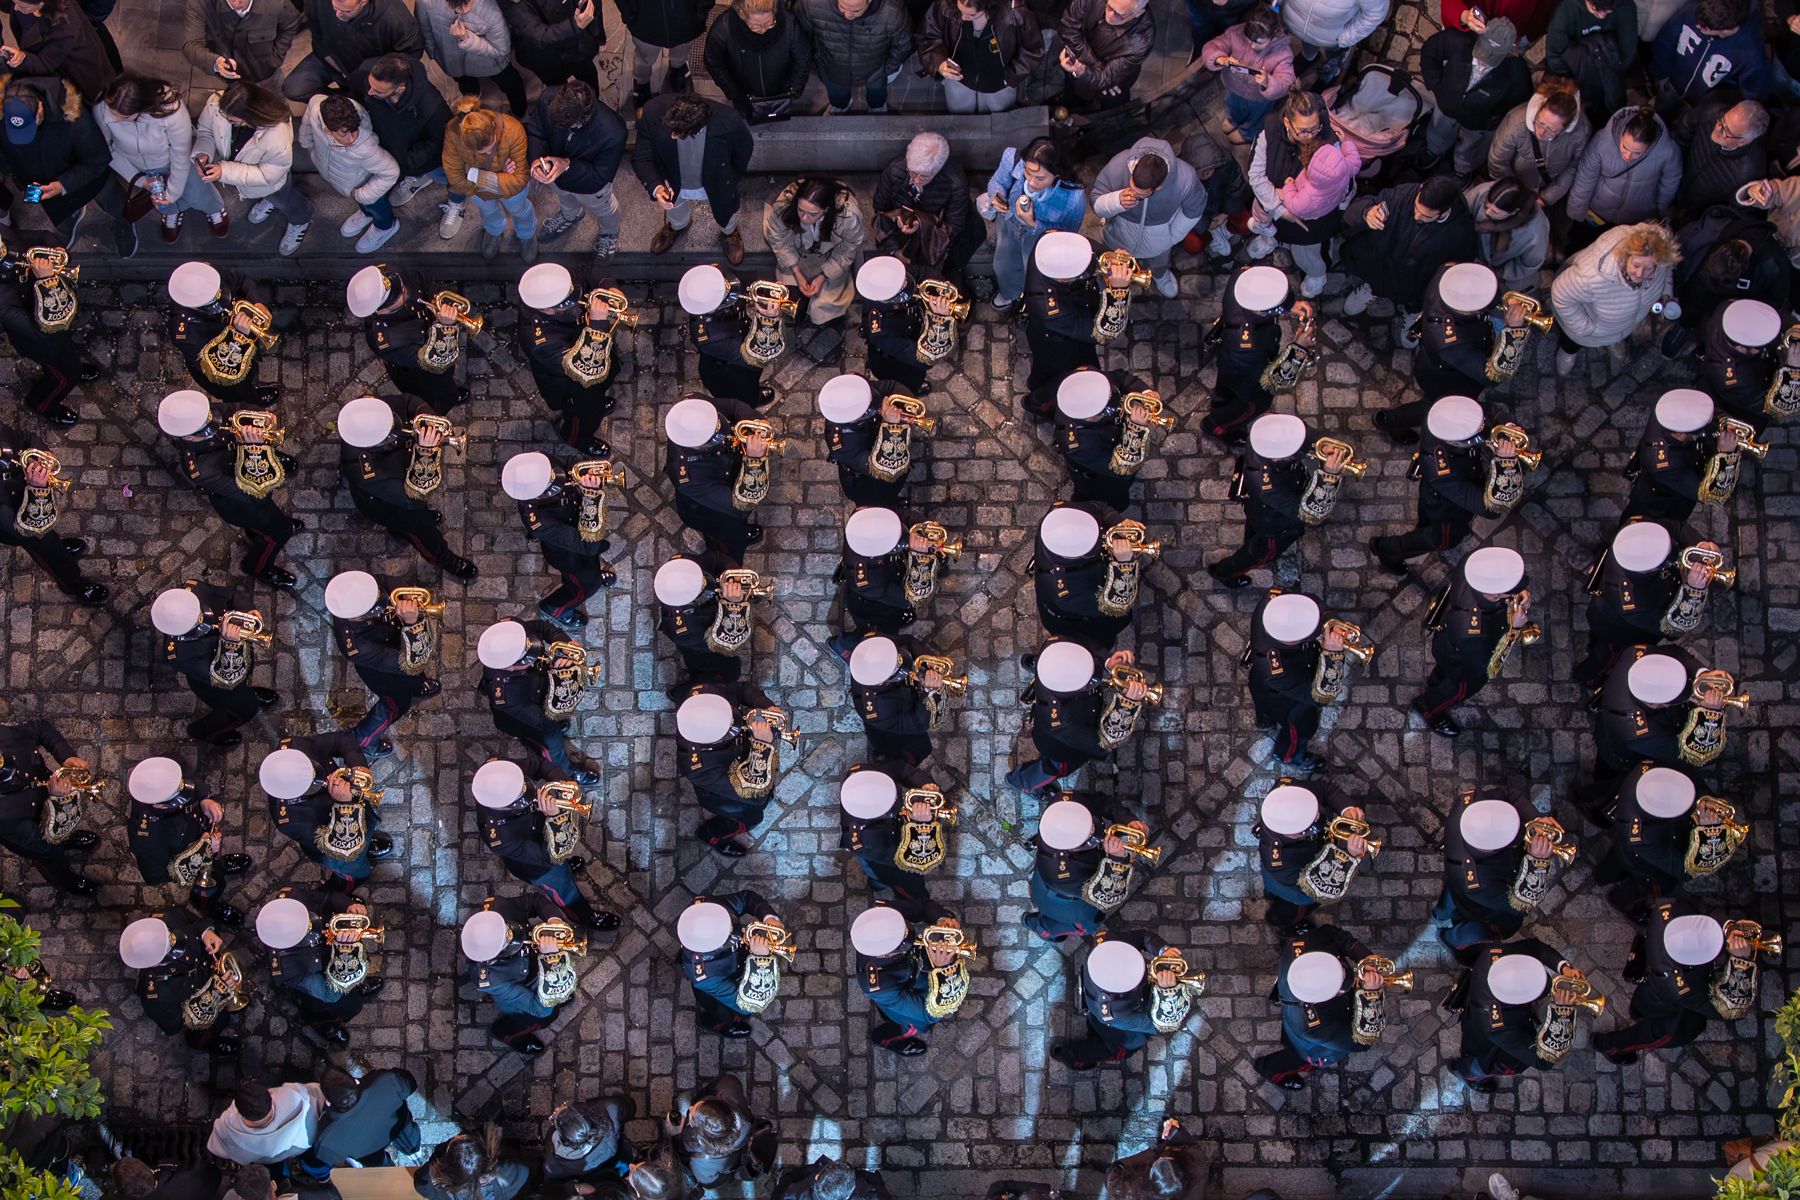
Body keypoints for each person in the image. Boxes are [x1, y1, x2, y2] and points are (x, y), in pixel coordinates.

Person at [156, 390, 300, 587]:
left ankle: (257, 533)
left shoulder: (206, 414)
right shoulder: (201, 470)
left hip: (244, 483)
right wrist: (254, 450)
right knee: (278, 533)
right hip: (244, 507)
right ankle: (258, 567)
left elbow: (236, 410)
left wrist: (260, 418)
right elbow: (255, 495)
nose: (215, 422)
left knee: (269, 527)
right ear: (186, 436)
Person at [470, 758, 622, 930]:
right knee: (564, 892)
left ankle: (567, 866)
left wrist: (563, 782)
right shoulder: (499, 839)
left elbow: (538, 765)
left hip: (541, 831)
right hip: (540, 867)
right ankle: (584, 917)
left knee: (564, 864)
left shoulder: (500, 772)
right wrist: (555, 816)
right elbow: (548, 857)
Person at [337, 395, 479, 578]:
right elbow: (412, 498)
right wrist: (425, 453)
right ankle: (444, 559)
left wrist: (427, 419)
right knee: (423, 530)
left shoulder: (371, 409)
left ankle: (399, 532)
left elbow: (408, 402)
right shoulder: (360, 467)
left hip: (398, 473)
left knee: (415, 520)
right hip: (391, 504)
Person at [1368, 396, 1514, 574]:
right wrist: (1505, 465)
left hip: (1465, 479)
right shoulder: (1440, 469)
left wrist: (1507, 426)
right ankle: (1387, 550)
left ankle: (1388, 421)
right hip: (1446, 508)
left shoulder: (1446, 410)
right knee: (1442, 539)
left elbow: (1489, 410)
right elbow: (1491, 509)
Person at [1597, 904, 1760, 1064]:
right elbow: (1728, 1010)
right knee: (1660, 1035)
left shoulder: (1668, 910)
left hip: (1654, 979)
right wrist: (1741, 963)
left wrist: (1728, 928)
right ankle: (1612, 1046)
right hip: (1668, 1008)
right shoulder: (1683, 986)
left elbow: (1705, 914)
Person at [1244, 90, 1360, 299]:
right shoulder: (1269, 131)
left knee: (1308, 252)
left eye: (1314, 128)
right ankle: (1271, 240)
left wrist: (1335, 208)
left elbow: (1346, 183)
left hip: (1312, 217)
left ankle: (1317, 274)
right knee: (1266, 221)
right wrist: (1280, 210)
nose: (1310, 136)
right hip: (1275, 204)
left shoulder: (1330, 141)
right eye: (1303, 131)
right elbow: (1256, 175)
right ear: (1288, 123)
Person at [1412, 545, 1536, 738]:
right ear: (1494, 595)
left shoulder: (1474, 562)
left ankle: (1435, 680)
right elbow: (1488, 666)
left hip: (1448, 642)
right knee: (1456, 691)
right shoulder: (1474, 634)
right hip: (1463, 662)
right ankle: (1428, 708)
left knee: (1443, 670)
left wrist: (1517, 593)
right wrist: (1516, 628)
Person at [1574, 520, 1714, 688]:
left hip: (1612, 610)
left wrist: (1700, 545)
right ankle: (1593, 673)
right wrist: (1694, 590)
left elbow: (1675, 526)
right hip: (1623, 629)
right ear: (1646, 571)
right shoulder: (1633, 601)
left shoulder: (1638, 530)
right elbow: (1672, 627)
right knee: (1606, 653)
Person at [95, 75, 226, 247]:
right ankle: (171, 212)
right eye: (114, 114)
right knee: (159, 199)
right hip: (139, 165)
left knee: (196, 191)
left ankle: (214, 209)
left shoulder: (171, 112)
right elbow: (107, 147)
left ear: (142, 109)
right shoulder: (103, 108)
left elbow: (180, 153)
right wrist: (139, 179)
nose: (116, 120)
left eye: (125, 118)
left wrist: (173, 193)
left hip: (172, 160)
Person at [1004, 640, 1153, 792]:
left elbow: (1078, 640)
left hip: (1075, 709)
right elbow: (1102, 744)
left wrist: (1107, 661)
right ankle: (1019, 781)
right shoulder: (1061, 721)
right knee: (1052, 768)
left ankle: (1032, 663)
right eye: (1087, 683)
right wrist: (1126, 706)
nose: (1096, 679)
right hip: (1062, 748)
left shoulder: (1053, 646)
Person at [1594, 765, 1741, 915]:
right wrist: (1706, 835)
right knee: (1613, 874)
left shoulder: (1663, 773)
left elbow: (1692, 777)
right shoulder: (1641, 836)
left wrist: (1706, 800)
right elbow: (1685, 871)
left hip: (1670, 838)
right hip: (1644, 859)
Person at [1382, 262, 1506, 441]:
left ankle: (1389, 421)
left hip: (1443, 362)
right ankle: (1389, 421)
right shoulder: (1450, 343)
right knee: (1441, 411)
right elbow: (1493, 375)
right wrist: (1515, 333)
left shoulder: (1447, 273)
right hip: (1447, 379)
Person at [1340, 175, 1479, 334]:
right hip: (1385, 264)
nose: (1416, 217)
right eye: (1416, 208)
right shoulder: (1402, 195)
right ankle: (1373, 289)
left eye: (1426, 216)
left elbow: (1456, 268)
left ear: (1444, 212)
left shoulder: (1460, 233)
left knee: (1414, 299)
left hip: (1418, 278)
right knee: (1378, 278)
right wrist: (1367, 212)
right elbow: (1361, 207)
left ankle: (1413, 311)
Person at [324, 571, 442, 755]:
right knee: (396, 704)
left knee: (416, 678)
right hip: (385, 673)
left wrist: (407, 598)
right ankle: (362, 740)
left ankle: (418, 685)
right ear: (354, 616)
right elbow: (408, 664)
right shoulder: (356, 647)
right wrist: (413, 622)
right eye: (372, 609)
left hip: (395, 641)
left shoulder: (363, 587)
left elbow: (390, 583)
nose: (382, 604)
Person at [126, 755, 253, 924]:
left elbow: (188, 780)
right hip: (191, 865)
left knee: (216, 868)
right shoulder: (147, 840)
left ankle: (218, 865)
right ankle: (208, 908)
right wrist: (204, 850)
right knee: (209, 891)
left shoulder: (159, 775)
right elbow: (158, 876)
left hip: (196, 832)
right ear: (158, 804)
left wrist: (204, 799)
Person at [516, 263, 626, 456]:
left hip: (590, 352)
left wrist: (611, 287)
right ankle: (576, 439)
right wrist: (598, 324)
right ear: (547, 309)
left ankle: (599, 403)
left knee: (602, 386)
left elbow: (589, 269)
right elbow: (585, 368)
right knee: (583, 416)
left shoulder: (556, 279)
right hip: (573, 385)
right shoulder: (538, 342)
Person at [475, 619, 604, 784]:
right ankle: (567, 771)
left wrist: (566, 645)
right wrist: (562, 686)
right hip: (528, 722)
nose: (534, 658)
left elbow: (543, 628)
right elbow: (545, 722)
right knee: (552, 743)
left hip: (541, 691)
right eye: (525, 660)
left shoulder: (513, 631)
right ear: (509, 667)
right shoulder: (506, 696)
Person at [503, 451, 619, 633]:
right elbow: (588, 545)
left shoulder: (541, 464)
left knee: (592, 567)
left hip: (573, 520)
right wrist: (592, 495)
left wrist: (583, 474)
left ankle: (595, 573)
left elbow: (569, 464)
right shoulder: (538, 522)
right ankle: (556, 609)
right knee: (585, 586)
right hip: (569, 555)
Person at [1253, 926, 1382, 1089]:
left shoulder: (1306, 943)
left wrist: (1366, 958)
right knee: (1303, 1057)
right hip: (1308, 1040)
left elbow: (1336, 935)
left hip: (1290, 988)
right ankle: (1270, 1069)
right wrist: (1371, 996)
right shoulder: (1314, 1027)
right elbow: (1363, 1042)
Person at [151, 582, 278, 747]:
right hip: (217, 687)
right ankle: (204, 732)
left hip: (236, 666)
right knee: (244, 709)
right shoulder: (179, 655)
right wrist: (230, 644)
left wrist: (247, 609)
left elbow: (230, 594)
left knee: (244, 690)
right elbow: (226, 678)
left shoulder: (193, 590)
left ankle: (249, 692)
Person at [1447, 939, 1584, 1089]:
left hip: (1484, 1004)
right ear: (1517, 1000)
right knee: (1480, 1067)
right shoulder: (1496, 1025)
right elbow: (1543, 1061)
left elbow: (1534, 946)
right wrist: (1561, 1014)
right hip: (1487, 1045)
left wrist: (1564, 967)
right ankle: (1465, 1073)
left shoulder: (1496, 954)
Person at [354, 54, 463, 242]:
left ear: (400, 88)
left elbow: (438, 141)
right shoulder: (368, 74)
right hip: (395, 151)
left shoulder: (431, 106)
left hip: (426, 160)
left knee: (450, 178)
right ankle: (417, 178)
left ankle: (457, 203)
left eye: (378, 91)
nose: (370, 92)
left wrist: (406, 162)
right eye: (370, 85)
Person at [195, 81, 311, 257]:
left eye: (231, 119)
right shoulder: (220, 103)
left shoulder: (277, 136)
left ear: (249, 117)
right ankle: (269, 200)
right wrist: (203, 152)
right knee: (269, 195)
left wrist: (224, 171)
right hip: (247, 178)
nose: (225, 119)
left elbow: (267, 175)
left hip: (269, 181)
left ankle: (301, 220)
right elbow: (206, 131)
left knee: (284, 198)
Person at [1549, 220, 1681, 376]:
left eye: (1648, 268)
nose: (1640, 274)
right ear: (1626, 255)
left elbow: (1667, 270)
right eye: (1636, 265)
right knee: (1572, 341)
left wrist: (1666, 292)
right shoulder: (1591, 275)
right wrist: (1585, 328)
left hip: (1624, 324)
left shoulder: (1660, 251)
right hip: (1592, 327)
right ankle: (1569, 351)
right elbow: (1561, 295)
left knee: (1618, 331)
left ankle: (1615, 340)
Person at [633, 94, 754, 261]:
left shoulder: (729, 122)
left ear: (696, 128)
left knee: (726, 208)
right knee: (674, 207)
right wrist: (657, 187)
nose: (672, 136)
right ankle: (677, 225)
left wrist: (729, 179)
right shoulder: (653, 111)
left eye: (677, 133)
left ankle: (729, 231)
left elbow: (743, 152)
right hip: (673, 181)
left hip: (714, 182)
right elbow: (642, 155)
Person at [254, 891, 387, 1043]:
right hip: (329, 984)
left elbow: (327, 897)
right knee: (347, 1006)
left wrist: (349, 906)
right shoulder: (286, 968)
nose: (312, 927)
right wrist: (345, 953)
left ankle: (357, 982)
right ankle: (325, 1025)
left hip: (335, 956)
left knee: (355, 981)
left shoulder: (289, 897)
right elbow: (329, 994)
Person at [1053, 932, 1199, 1069]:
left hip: (1093, 994)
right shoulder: (1114, 1013)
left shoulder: (1107, 944)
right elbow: (1158, 1025)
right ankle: (1069, 1056)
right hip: (1115, 1029)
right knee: (1115, 1050)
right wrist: (1167, 994)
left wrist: (1162, 950)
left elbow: (1142, 936)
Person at [1433, 788, 1551, 959]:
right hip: (1474, 899)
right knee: (1466, 918)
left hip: (1457, 875)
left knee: (1451, 894)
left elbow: (1510, 793)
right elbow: (1520, 904)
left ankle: (1441, 912)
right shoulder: (1479, 882)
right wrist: (1538, 862)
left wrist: (1537, 820)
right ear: (1492, 849)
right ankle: (1448, 934)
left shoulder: (1472, 802)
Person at [259, 734, 392, 884]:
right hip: (336, 842)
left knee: (368, 821)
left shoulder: (295, 746)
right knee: (355, 867)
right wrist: (344, 804)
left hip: (348, 801)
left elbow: (341, 739)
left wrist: (359, 767)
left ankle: (368, 837)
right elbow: (339, 846)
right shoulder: (290, 819)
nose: (325, 779)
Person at [1202, 265, 1310, 444]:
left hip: (1231, 351)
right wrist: (1298, 350)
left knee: (1223, 393)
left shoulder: (1242, 276)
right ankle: (1218, 428)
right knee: (1245, 409)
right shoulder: (1248, 347)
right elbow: (1269, 380)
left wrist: (1289, 305)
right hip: (1243, 382)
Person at [1091, 135, 1206, 300]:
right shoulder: (1119, 164)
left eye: (1140, 194)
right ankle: (1108, 279)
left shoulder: (1186, 179)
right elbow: (1096, 200)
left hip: (1158, 241)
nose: (1132, 194)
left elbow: (1195, 209)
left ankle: (1160, 275)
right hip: (1118, 234)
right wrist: (1117, 201)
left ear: (1158, 187)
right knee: (1111, 261)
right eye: (1131, 186)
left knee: (1159, 260)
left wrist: (1172, 236)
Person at [0, 420, 103, 603]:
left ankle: (59, 545)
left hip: (23, 492)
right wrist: (36, 489)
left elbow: (25, 438)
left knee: (53, 539)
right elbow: (24, 530)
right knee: (47, 550)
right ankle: (72, 584)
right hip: (19, 523)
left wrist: (41, 453)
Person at [0, 74, 108, 247]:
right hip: (30, 177)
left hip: (70, 184)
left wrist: (63, 185)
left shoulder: (72, 118)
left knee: (67, 207)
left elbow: (97, 160)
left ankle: (72, 215)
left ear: (40, 108)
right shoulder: (3, 115)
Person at [460, 895, 577, 1056]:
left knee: (556, 1001)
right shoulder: (491, 979)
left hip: (533, 970)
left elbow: (534, 901)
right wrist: (551, 961)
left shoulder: (498, 906)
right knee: (547, 1016)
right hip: (524, 994)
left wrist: (554, 919)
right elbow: (539, 1008)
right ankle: (508, 1034)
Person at [980, 138, 1086, 314]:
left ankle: (1034, 302)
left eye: (1040, 178)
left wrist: (1034, 223)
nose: (1031, 182)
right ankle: (1010, 293)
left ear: (1056, 173)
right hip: (1010, 223)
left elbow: (1068, 234)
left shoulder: (1073, 198)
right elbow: (997, 181)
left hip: (1040, 237)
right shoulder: (1012, 157)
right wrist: (997, 195)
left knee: (1037, 273)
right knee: (1003, 264)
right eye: (1028, 173)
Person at [1022, 795, 1148, 940]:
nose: (1098, 835)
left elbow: (1100, 801)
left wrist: (1127, 819)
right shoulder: (1064, 875)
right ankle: (1037, 925)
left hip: (1047, 879)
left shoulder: (1063, 803)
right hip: (1068, 902)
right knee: (1087, 926)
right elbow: (1105, 895)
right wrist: (1117, 860)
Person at [851, 904, 971, 1056]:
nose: (913, 937)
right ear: (884, 955)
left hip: (913, 975)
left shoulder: (884, 914)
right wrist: (942, 971)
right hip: (900, 993)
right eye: (901, 944)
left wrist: (941, 919)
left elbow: (922, 907)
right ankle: (886, 1039)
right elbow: (929, 1013)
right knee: (921, 1026)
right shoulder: (877, 984)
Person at [674, 688, 782, 858]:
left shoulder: (703, 696)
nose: (739, 726)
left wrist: (766, 707)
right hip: (723, 795)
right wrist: (761, 746)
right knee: (753, 816)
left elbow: (742, 690)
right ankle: (712, 835)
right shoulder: (698, 768)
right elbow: (755, 794)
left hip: (739, 756)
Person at [346, 265, 469, 413]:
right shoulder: (385, 342)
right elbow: (435, 363)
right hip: (419, 374)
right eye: (399, 295)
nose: (405, 290)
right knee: (438, 394)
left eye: (401, 287)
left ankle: (452, 392)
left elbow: (426, 282)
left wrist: (443, 302)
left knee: (448, 379)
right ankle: (449, 399)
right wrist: (445, 327)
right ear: (382, 310)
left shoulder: (395, 276)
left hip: (430, 331)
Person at [1420, 17, 1532, 178]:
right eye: (1483, 51)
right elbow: (1430, 51)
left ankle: (1462, 170)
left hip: (1478, 124)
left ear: (1509, 52)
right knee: (1438, 129)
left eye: (1492, 58)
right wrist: (1435, 84)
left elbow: (1516, 105)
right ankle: (1434, 149)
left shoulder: (1517, 72)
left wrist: (1490, 120)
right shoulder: (1458, 40)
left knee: (1472, 148)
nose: (1482, 62)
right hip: (1445, 105)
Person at [118, 911, 242, 1056]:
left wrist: (205, 932)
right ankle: (210, 1043)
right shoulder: (155, 997)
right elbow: (174, 1026)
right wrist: (210, 997)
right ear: (154, 964)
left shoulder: (166, 918)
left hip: (210, 969)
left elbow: (190, 919)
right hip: (202, 1002)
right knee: (206, 1032)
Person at [527, 81, 627, 260]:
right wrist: (536, 159)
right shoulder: (547, 99)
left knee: (605, 210)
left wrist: (566, 165)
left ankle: (609, 233)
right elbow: (537, 131)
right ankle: (571, 215)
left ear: (583, 119)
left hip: (591, 188)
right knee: (564, 198)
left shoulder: (614, 132)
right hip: (555, 179)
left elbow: (599, 177)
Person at [0, 717, 97, 896]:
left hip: (46, 797)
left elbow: (40, 728)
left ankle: (69, 840)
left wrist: (66, 756)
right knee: (53, 856)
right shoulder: (3, 817)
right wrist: (58, 800)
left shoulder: (4, 737)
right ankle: (66, 881)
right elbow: (43, 843)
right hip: (35, 835)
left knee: (62, 840)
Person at [1255, 781, 1371, 930]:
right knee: (1302, 900)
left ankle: (1272, 894)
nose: (1317, 816)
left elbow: (1325, 787)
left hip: (1300, 863)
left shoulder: (1288, 791)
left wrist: (1345, 809)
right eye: (1308, 826)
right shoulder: (1278, 861)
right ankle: (1287, 916)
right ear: (1291, 834)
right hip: (1298, 884)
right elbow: (1320, 884)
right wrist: (1350, 856)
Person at [1565, 109, 1682, 257]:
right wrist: (1576, 212)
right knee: (1581, 245)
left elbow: (1670, 182)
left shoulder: (1668, 151)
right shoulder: (1602, 141)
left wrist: (1657, 208)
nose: (1627, 156)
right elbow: (1585, 177)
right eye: (1625, 147)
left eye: (1637, 153)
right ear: (1621, 134)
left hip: (1634, 220)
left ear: (1650, 146)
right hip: (1598, 211)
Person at [664, 392, 764, 564]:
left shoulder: (694, 406)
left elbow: (733, 406)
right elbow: (741, 507)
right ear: (697, 445)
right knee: (732, 538)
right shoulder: (688, 478)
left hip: (728, 474)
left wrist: (756, 421)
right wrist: (754, 461)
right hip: (709, 512)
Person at [165, 260, 279, 410]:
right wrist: (239, 337)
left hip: (241, 328)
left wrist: (257, 302)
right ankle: (253, 398)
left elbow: (240, 280)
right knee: (238, 390)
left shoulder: (206, 273)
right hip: (222, 370)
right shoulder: (185, 334)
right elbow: (220, 367)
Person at [1487, 83, 1590, 247]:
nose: (1541, 132)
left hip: (1548, 188)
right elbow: (1498, 161)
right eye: (1540, 123)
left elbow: (1574, 166)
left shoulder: (1580, 131)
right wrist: (1517, 194)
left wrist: (1547, 196)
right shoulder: (1516, 122)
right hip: (1515, 184)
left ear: (1565, 129)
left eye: (1551, 130)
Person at [1244, 590, 1337, 771]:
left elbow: (1312, 602)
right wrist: (1333, 654)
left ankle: (1264, 721)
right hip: (1286, 702)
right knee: (1299, 729)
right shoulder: (1275, 669)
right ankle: (1289, 756)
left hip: (1264, 684)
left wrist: (1331, 620)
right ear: (1290, 641)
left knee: (1262, 708)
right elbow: (1320, 696)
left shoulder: (1273, 599)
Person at [299, 93, 403, 254]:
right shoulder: (316, 104)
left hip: (361, 184)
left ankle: (385, 226)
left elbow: (391, 172)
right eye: (344, 134)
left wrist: (362, 195)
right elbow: (308, 122)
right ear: (327, 129)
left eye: (354, 131)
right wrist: (307, 143)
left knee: (376, 205)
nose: (351, 138)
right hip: (344, 180)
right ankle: (366, 214)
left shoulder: (365, 147)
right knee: (365, 205)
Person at [871, 133, 981, 281]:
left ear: (938, 170)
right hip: (901, 236)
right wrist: (895, 249)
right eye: (912, 173)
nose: (916, 180)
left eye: (924, 176)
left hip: (936, 243)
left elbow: (954, 227)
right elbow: (880, 209)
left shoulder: (955, 184)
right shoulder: (894, 170)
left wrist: (922, 224)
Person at [677, 894, 789, 1036]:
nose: (737, 931)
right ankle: (724, 1027)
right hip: (718, 994)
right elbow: (747, 1005)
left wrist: (769, 918)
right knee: (723, 1014)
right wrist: (761, 960)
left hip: (735, 965)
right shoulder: (705, 977)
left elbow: (746, 898)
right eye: (727, 936)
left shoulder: (709, 907)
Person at [1032, 503, 1140, 651]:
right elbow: (1116, 606)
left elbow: (1097, 506)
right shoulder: (1066, 593)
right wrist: (1124, 564)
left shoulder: (1059, 517)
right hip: (1083, 623)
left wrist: (1117, 521)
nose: (1103, 541)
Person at [838, 766, 939, 922]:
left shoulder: (867, 774)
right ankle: (878, 882)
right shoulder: (865, 841)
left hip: (888, 835)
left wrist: (925, 784)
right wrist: (920, 825)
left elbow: (900, 768)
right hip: (884, 862)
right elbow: (909, 859)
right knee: (892, 880)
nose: (897, 801)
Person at [1051, 368, 1162, 509]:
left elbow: (1120, 377)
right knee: (1114, 501)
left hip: (1114, 436)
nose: (1116, 408)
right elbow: (1122, 468)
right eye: (1107, 410)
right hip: (1101, 477)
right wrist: (1135, 428)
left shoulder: (1088, 380)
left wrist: (1145, 392)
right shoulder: (1079, 444)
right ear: (1089, 417)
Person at [764, 177, 864, 326]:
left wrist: (823, 276)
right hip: (798, 252)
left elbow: (849, 247)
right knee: (789, 307)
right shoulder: (784, 207)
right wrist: (797, 272)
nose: (804, 218)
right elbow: (778, 239)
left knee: (821, 314)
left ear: (827, 210)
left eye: (812, 214)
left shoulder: (849, 217)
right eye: (800, 210)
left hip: (829, 255)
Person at [443, 97, 535, 261]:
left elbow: (520, 178)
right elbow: (453, 174)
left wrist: (475, 176)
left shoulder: (513, 129)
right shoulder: (453, 133)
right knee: (488, 211)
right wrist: (502, 176)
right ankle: (494, 231)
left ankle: (527, 233)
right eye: (480, 152)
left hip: (481, 187)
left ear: (494, 128)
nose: (486, 154)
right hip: (482, 189)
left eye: (490, 147)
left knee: (519, 209)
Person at [282, 0, 424, 102]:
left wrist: (377, 74)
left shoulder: (393, 16)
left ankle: (360, 100)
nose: (337, 15)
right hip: (331, 59)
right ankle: (348, 101)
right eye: (334, 8)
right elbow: (314, 22)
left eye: (346, 11)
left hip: (370, 70)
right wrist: (325, 53)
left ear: (364, 2)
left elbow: (411, 52)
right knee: (294, 89)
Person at [917, 0, 1042, 114]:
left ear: (988, 7)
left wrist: (1010, 77)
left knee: (998, 124)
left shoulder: (1014, 12)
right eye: (960, 10)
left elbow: (1033, 49)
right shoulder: (946, 5)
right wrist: (939, 63)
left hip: (999, 85)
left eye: (971, 15)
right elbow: (927, 37)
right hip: (958, 81)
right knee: (961, 122)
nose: (963, 17)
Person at [1022, 231, 1108, 392]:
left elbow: (1081, 246)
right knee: (1054, 371)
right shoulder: (1051, 310)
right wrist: (1119, 292)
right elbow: (1099, 333)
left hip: (1075, 310)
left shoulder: (1047, 241)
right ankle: (1041, 396)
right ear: (1062, 279)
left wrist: (1108, 255)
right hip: (1058, 342)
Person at [704, 0, 812, 125]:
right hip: (744, 95)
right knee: (746, 116)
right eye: (755, 25)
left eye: (769, 23)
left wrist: (794, 88)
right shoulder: (724, 28)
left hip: (781, 93)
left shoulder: (789, 25)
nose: (763, 30)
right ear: (741, 14)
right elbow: (713, 62)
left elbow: (803, 58)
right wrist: (733, 92)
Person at [655, 555, 751, 693]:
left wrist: (731, 574)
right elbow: (725, 643)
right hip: (708, 654)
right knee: (730, 672)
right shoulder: (683, 632)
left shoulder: (679, 565)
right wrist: (734, 605)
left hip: (716, 607)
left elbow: (716, 558)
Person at [796, 0, 911, 114]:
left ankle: (877, 107)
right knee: (838, 97)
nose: (847, 15)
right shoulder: (810, 5)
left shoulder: (892, 12)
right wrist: (816, 65)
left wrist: (887, 68)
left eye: (855, 10)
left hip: (875, 70)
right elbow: (800, 39)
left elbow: (903, 44)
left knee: (877, 95)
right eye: (842, 7)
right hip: (832, 70)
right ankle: (841, 107)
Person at [1200, 5, 1294, 143]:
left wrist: (1268, 82)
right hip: (1233, 87)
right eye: (1249, 39)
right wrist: (1219, 58)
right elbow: (1213, 46)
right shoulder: (1235, 33)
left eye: (1259, 42)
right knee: (1232, 106)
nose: (1252, 45)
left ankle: (1248, 133)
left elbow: (1287, 82)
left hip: (1259, 97)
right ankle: (1234, 119)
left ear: (1273, 36)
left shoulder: (1283, 54)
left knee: (1257, 117)